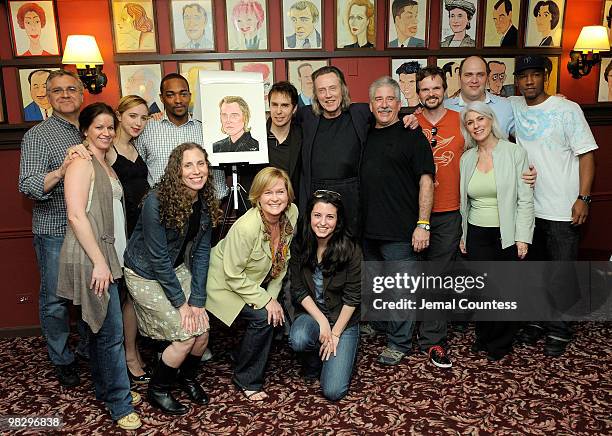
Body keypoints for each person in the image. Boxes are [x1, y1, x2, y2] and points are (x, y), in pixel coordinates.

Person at [56, 103, 141, 430]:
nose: (105, 133)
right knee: (110, 335)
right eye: (98, 127)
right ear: (85, 130)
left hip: (109, 257)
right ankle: (120, 405)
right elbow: (76, 215)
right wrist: (99, 263)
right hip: (94, 260)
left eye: (109, 127)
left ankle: (107, 389)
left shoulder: (104, 162)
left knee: (99, 332)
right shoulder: (82, 162)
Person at [509, 55, 598, 357]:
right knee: (534, 271)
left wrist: (583, 198)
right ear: (516, 80)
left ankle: (559, 328)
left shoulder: (567, 109)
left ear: (546, 76)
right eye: (524, 76)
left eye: (536, 75)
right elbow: (478, 102)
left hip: (562, 207)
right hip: (528, 208)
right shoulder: (514, 106)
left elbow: (586, 155)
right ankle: (536, 321)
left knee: (560, 271)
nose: (530, 81)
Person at [124, 142, 221, 414]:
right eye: (188, 165)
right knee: (186, 335)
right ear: (176, 170)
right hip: (144, 273)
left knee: (202, 330)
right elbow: (157, 259)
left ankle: (187, 379)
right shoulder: (156, 201)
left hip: (175, 268)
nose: (196, 171)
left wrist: (198, 301)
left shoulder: (203, 201)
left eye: (200, 164)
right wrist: (182, 304)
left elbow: (202, 254)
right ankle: (159, 389)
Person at [18, 69, 90, 387]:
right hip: (55, 229)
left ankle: (89, 351)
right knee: (55, 300)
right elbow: (30, 185)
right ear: (47, 97)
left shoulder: (93, 130)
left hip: (92, 229)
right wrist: (61, 170)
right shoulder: (38, 136)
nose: (64, 94)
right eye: (57, 90)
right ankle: (62, 359)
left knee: (92, 293)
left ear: (82, 94)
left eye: (71, 88)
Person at [206, 167, 298, 401]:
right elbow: (232, 274)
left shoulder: (292, 214)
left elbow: (282, 260)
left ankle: (242, 354)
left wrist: (273, 298)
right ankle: (247, 379)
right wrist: (265, 301)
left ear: (289, 195)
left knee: (270, 312)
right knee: (263, 318)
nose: (275, 198)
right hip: (222, 283)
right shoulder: (247, 227)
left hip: (249, 281)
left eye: (280, 192)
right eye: (268, 193)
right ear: (257, 196)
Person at [361, 76, 435, 366]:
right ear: (370, 105)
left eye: (389, 99)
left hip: (401, 229)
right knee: (377, 284)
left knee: (402, 288)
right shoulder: (365, 132)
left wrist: (423, 224)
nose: (384, 105)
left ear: (399, 103)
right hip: (368, 229)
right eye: (378, 99)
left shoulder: (411, 134)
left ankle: (399, 342)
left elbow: (427, 181)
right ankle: (380, 325)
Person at [458, 101, 534, 361]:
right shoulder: (466, 159)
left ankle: (500, 342)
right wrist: (464, 235)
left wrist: (523, 237)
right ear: (466, 128)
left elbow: (525, 199)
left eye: (480, 119)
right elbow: (463, 203)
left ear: (491, 121)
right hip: (477, 232)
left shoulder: (514, 153)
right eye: (470, 122)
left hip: (507, 233)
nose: (476, 125)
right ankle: (484, 336)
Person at [413, 66, 465, 368]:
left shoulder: (461, 122)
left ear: (445, 89)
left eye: (436, 88)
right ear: (417, 93)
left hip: (448, 211)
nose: (430, 94)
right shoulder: (408, 123)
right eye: (425, 89)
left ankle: (433, 339)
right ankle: (404, 333)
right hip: (415, 213)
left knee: (438, 279)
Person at [289, 190, 361, 401]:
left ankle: (332, 355)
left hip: (343, 321)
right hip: (313, 315)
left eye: (330, 217)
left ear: (338, 221)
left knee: (333, 391)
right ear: (309, 216)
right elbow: (298, 289)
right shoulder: (299, 244)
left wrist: (335, 334)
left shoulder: (351, 249)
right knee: (299, 338)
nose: (323, 222)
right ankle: (315, 360)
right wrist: (322, 322)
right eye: (317, 215)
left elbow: (353, 297)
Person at [105, 95, 151, 385]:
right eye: (132, 116)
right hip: (119, 230)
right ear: (118, 116)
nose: (138, 122)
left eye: (144, 117)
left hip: (140, 229)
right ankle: (128, 355)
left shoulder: (135, 146)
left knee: (133, 294)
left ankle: (130, 351)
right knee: (123, 295)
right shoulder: (106, 149)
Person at [297, 66, 372, 236]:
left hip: (352, 201)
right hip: (316, 200)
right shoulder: (306, 117)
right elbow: (279, 122)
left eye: (333, 88)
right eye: (321, 90)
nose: (328, 95)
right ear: (315, 95)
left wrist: (411, 117)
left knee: (350, 255)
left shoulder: (361, 113)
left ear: (343, 89)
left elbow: (388, 118)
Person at [135, 73, 228, 199]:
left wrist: (216, 201)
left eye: (183, 94)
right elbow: (138, 171)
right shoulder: (147, 129)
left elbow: (215, 171)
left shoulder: (205, 130)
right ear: (161, 98)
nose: (178, 100)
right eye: (170, 95)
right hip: (160, 207)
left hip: (199, 207)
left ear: (189, 96)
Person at [445, 56, 515, 138]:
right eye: (468, 75)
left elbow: (524, 141)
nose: (474, 80)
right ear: (460, 77)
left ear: (487, 77)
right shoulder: (445, 107)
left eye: (480, 75)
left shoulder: (505, 106)